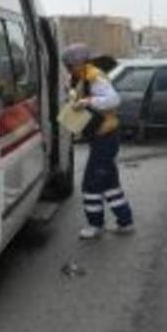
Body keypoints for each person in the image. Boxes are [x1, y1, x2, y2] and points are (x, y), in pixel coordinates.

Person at [61, 43, 135, 239]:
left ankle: (95, 225)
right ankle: (125, 222)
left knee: (91, 183)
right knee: (110, 183)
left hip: (106, 137)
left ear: (79, 62)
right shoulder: (81, 77)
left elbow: (113, 100)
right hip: (101, 137)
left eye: (69, 65)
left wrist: (87, 102)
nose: (68, 68)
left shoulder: (93, 75)